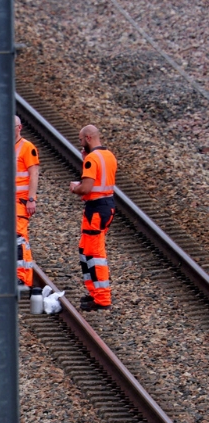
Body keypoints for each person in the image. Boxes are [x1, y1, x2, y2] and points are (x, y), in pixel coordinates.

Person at [70, 125, 117, 311]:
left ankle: (102, 298)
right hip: (106, 206)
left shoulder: (92, 159)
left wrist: (75, 188)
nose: (80, 144)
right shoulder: (109, 156)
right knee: (86, 249)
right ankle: (95, 293)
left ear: (88, 138)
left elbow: (87, 187)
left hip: (96, 210)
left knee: (94, 253)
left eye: (81, 140)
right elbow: (101, 180)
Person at [14, 116, 40, 291]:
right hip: (7, 202)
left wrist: (31, 199)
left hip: (21, 201)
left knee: (19, 239)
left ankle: (22, 278)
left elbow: (34, 174)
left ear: (19, 127)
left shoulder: (27, 147)